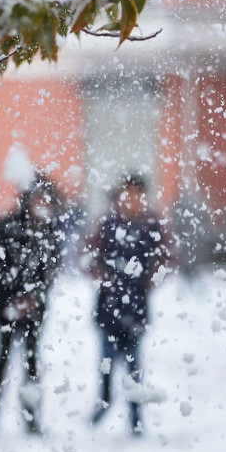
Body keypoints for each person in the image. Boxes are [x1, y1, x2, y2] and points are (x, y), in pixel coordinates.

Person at [0, 177, 66, 435]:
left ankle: (31, 419)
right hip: (6, 311)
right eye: (38, 199)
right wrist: (6, 303)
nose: (42, 206)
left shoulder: (49, 233)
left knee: (31, 365)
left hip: (33, 313)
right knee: (2, 363)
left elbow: (49, 273)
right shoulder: (7, 228)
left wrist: (33, 299)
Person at [86, 176, 172, 435]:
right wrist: (106, 280)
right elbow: (88, 255)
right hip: (109, 308)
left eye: (136, 195)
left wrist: (149, 280)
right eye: (127, 195)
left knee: (134, 367)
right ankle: (104, 401)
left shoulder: (150, 224)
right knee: (106, 362)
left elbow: (167, 258)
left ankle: (135, 417)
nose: (131, 201)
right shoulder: (107, 224)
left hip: (135, 307)